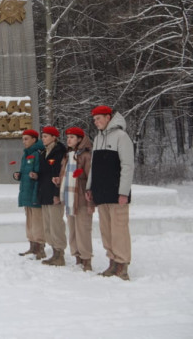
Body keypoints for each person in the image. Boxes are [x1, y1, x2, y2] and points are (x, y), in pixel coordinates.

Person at [86, 105, 134, 280]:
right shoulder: (98, 138)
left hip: (116, 193)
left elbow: (128, 166)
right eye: (94, 119)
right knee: (106, 230)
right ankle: (112, 262)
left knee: (119, 229)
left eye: (99, 118)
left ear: (108, 117)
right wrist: (89, 188)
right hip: (101, 192)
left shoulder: (122, 136)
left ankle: (122, 265)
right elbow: (93, 167)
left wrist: (123, 192)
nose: (96, 122)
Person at [55, 126, 94, 271]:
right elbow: (64, 174)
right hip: (69, 197)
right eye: (68, 137)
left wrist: (91, 201)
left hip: (81, 198)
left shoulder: (86, 155)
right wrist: (59, 180)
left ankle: (86, 259)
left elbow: (91, 178)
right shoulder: (67, 155)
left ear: (79, 139)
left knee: (83, 229)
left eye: (72, 137)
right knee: (72, 229)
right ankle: (77, 255)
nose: (69, 139)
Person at [14, 129, 46, 259]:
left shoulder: (39, 153)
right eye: (23, 139)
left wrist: (36, 176)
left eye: (26, 139)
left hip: (35, 191)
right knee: (30, 221)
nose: (24, 142)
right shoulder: (26, 154)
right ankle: (32, 246)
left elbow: (41, 172)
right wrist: (18, 175)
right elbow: (25, 171)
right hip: (27, 191)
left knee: (38, 222)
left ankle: (40, 247)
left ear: (34, 139)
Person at [38, 126, 67, 266]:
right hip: (44, 192)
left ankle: (59, 253)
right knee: (48, 225)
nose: (43, 139)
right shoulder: (43, 152)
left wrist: (57, 193)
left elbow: (59, 174)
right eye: (42, 136)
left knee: (56, 224)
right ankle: (54, 251)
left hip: (54, 193)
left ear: (54, 137)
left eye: (46, 136)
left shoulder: (60, 152)